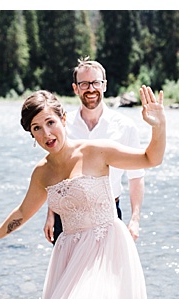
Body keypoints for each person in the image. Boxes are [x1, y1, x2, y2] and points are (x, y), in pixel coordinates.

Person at [0, 85, 166, 299]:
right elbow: (23, 211)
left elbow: (150, 159)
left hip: (106, 248)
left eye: (50, 122)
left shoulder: (96, 151)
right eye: (37, 128)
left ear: (64, 119)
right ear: (31, 135)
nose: (46, 133)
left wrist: (158, 125)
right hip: (69, 253)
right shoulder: (42, 172)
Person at [44, 58, 146, 244]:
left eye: (96, 82)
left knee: (107, 273)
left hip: (109, 217)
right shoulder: (63, 127)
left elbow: (136, 177)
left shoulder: (125, 127)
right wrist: (50, 213)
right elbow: (55, 173)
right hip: (68, 218)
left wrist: (135, 219)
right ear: (76, 88)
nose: (91, 88)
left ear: (104, 85)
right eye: (84, 84)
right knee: (68, 273)